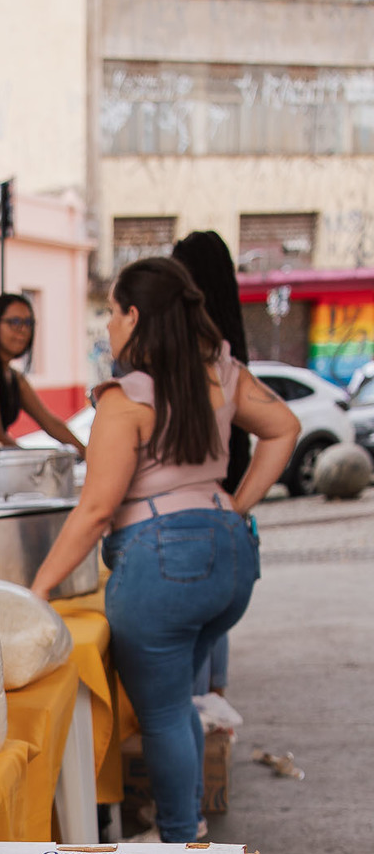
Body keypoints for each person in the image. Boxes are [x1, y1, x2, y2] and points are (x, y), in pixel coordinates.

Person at [29, 256, 299, 843]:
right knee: (180, 702)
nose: (106, 327)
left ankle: (182, 841)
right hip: (230, 559)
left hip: (163, 563)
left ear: (132, 316)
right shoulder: (220, 376)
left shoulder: (126, 398)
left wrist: (39, 588)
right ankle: (185, 824)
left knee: (163, 713)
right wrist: (237, 503)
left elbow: (96, 509)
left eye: (109, 314)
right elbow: (284, 428)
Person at [172, 230, 252, 697]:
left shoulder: (196, 355)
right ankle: (214, 719)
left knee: (174, 707)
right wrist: (240, 507)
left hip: (192, 520)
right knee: (210, 635)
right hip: (226, 515)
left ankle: (207, 728)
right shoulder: (230, 351)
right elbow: (282, 428)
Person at [0, 292, 87, 457]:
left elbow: (51, 423)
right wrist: (34, 461)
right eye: (14, 322)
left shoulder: (15, 377)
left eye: (28, 323)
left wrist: (87, 452)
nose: (23, 330)